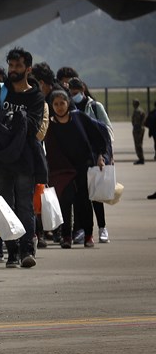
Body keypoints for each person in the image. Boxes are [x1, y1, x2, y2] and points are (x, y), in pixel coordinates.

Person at [0, 47, 47, 267]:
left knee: (25, 206)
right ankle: (11, 251)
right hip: (0, 159)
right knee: (4, 207)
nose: (13, 69)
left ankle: (27, 250)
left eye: (18, 65)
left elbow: (33, 126)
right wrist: (13, 120)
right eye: (11, 65)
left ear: (28, 69)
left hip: (24, 160)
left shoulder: (36, 96)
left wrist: (6, 120)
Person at [44, 89, 110, 249]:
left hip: (83, 167)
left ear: (68, 103)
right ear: (52, 106)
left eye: (62, 103)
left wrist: (100, 157)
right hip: (62, 170)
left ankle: (88, 235)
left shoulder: (80, 118)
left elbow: (98, 137)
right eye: (56, 104)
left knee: (84, 203)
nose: (59, 107)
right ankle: (66, 236)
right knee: (65, 203)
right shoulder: (50, 125)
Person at [67, 77, 113, 243]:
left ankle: (102, 228)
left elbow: (107, 130)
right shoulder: (69, 107)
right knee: (81, 197)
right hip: (78, 158)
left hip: (94, 156)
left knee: (96, 195)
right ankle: (84, 230)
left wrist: (107, 156)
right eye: (71, 93)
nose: (74, 95)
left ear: (83, 90)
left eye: (76, 92)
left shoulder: (94, 106)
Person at [133, 100, 147, 165]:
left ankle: (141, 159)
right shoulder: (141, 110)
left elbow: (135, 121)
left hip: (138, 129)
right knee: (139, 144)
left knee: (138, 145)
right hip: (141, 128)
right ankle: (141, 158)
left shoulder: (137, 111)